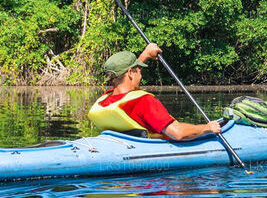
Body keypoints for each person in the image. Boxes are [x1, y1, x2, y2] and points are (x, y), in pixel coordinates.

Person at [87, 44, 222, 140]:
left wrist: (145, 54)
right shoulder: (144, 101)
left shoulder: (106, 99)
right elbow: (178, 133)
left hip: (123, 147)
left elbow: (127, 77)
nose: (141, 74)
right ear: (130, 73)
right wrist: (207, 128)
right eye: (138, 70)